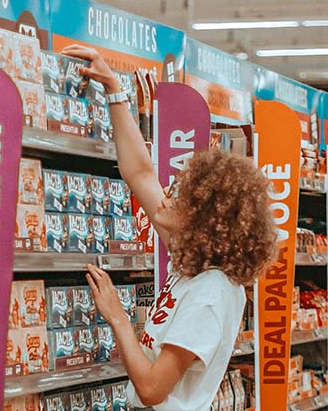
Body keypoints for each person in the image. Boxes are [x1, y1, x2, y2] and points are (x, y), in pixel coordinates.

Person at [61, 45, 277, 411]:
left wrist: (116, 316)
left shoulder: (210, 296)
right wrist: (115, 89)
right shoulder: (194, 266)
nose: (165, 198)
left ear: (203, 219)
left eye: (178, 197)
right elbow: (140, 173)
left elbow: (151, 389)